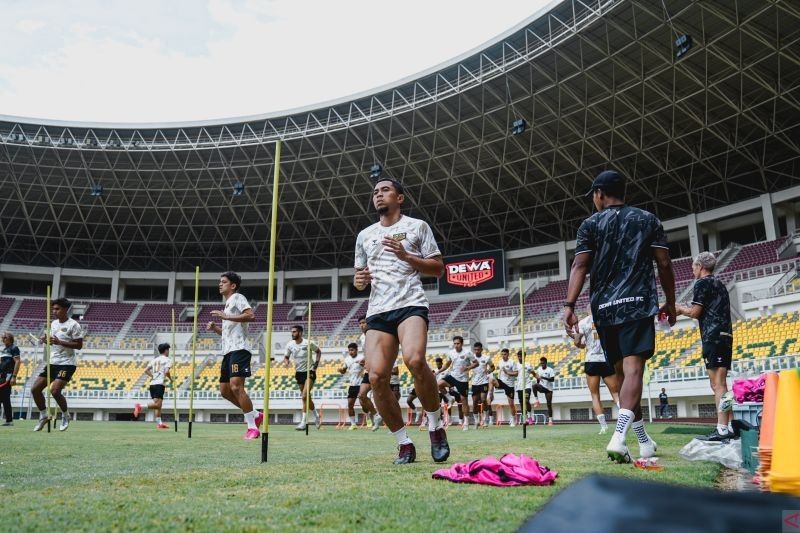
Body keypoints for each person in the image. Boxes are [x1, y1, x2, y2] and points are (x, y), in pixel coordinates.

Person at [563, 170, 675, 463]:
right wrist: (671, 302)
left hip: (604, 310)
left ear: (599, 193)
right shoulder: (648, 220)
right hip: (637, 304)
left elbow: (579, 267)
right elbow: (663, 263)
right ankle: (619, 436)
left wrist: (569, 306)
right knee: (633, 372)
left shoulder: (590, 224)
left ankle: (643, 441)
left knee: (624, 377)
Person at [354, 176, 449, 464]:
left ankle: (435, 426)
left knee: (415, 361)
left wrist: (407, 257)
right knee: (377, 377)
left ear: (400, 198)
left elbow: (438, 269)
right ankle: (404, 442)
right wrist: (359, 280)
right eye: (375, 192)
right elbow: (360, 280)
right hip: (378, 311)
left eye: (385, 190)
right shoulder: (364, 235)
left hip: (410, 304)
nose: (379, 195)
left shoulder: (417, 226)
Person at [677, 251, 734, 441]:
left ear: (700, 266)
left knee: (718, 384)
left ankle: (722, 430)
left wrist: (679, 309)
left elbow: (695, 312)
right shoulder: (720, 284)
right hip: (725, 335)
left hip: (713, 336)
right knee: (720, 384)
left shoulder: (702, 283)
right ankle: (730, 425)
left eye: (693, 266)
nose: (692, 270)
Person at [206, 272, 262, 440]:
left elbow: (251, 315)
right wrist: (216, 328)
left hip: (240, 350)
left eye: (224, 282)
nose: (220, 284)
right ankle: (255, 414)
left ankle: (252, 427)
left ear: (233, 285)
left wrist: (227, 316)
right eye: (219, 282)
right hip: (228, 351)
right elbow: (228, 333)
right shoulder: (227, 305)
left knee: (236, 387)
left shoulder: (237, 297)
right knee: (225, 391)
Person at [32, 297, 83, 432]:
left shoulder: (74, 325)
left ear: (65, 309)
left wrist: (60, 342)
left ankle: (66, 416)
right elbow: (52, 340)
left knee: (54, 391)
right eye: (53, 309)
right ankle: (44, 416)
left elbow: (79, 345)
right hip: (52, 362)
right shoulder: (53, 324)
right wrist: (46, 340)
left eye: (57, 309)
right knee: (35, 389)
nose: (54, 311)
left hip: (67, 363)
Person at [574, 309, 621, 434]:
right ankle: (626, 421)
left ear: (588, 309)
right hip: (606, 358)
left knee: (595, 395)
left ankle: (604, 427)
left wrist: (582, 345)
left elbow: (577, 342)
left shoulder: (583, 322)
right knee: (616, 393)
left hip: (592, 360)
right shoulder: (608, 318)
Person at [283, 324, 322, 431]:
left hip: (309, 371)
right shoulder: (290, 345)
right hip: (299, 373)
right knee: (306, 398)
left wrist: (316, 365)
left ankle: (303, 422)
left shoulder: (308, 343)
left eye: (294, 332)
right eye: (292, 332)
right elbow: (286, 357)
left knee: (304, 395)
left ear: (300, 333)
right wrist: (286, 363)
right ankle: (317, 416)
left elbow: (318, 351)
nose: (292, 333)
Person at [439, 336, 476, 431]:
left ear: (462, 343)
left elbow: (476, 363)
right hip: (453, 376)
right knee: (439, 384)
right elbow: (447, 364)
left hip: (463, 379)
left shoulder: (467, 352)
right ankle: (450, 398)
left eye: (458, 343)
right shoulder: (451, 353)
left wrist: (467, 368)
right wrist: (438, 371)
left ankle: (466, 422)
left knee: (464, 400)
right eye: (454, 343)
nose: (456, 345)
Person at [133, 342, 173, 429]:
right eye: (168, 350)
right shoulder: (167, 360)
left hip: (153, 384)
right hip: (159, 384)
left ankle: (160, 424)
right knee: (158, 405)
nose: (168, 351)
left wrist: (153, 376)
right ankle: (139, 406)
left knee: (158, 405)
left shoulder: (154, 360)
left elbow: (146, 370)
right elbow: (166, 372)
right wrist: (171, 379)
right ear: (166, 350)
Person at [356, 316, 380, 429]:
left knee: (383, 397)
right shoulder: (362, 338)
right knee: (361, 395)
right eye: (360, 323)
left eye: (364, 322)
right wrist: (364, 360)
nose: (362, 325)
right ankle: (376, 415)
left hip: (379, 368)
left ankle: (395, 424)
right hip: (368, 370)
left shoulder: (375, 334)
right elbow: (367, 353)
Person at [339, 342, 364, 430]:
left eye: (352, 350)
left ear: (356, 350)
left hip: (362, 384)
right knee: (350, 404)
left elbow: (367, 367)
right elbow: (343, 371)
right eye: (349, 350)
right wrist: (340, 370)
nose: (350, 352)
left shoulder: (362, 358)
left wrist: (363, 366)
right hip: (352, 384)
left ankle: (369, 420)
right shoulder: (347, 359)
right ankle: (353, 424)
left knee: (363, 403)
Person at [1, 332, 21, 426]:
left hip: (8, 376)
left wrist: (14, 376)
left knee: (5, 398)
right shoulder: (4, 349)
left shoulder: (14, 348)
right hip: (2, 376)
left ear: (10, 338)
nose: (3, 338)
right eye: (2, 337)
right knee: (4, 398)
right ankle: (9, 420)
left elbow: (17, 362)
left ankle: (9, 420)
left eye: (5, 337)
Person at [469, 342, 492, 429]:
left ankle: (485, 419)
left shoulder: (486, 358)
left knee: (483, 399)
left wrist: (489, 371)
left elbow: (493, 367)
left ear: (481, 350)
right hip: (474, 383)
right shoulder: (471, 358)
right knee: (475, 402)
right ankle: (476, 421)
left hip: (484, 382)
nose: (477, 351)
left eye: (478, 349)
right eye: (475, 350)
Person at [496, 348, 518, 427]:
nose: (503, 356)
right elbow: (500, 372)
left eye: (504, 354)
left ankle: (513, 419)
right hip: (502, 382)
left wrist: (507, 372)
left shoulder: (512, 362)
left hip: (510, 385)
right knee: (491, 379)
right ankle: (490, 394)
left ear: (508, 354)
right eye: (502, 354)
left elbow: (516, 373)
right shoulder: (500, 362)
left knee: (511, 404)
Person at [515, 351, 534, 425]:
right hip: (519, 387)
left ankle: (530, 417)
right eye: (518, 356)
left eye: (521, 356)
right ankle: (525, 419)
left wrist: (537, 377)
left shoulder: (528, 364)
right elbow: (514, 374)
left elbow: (533, 373)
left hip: (527, 385)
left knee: (526, 400)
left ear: (524, 356)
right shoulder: (516, 365)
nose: (520, 358)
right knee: (522, 403)